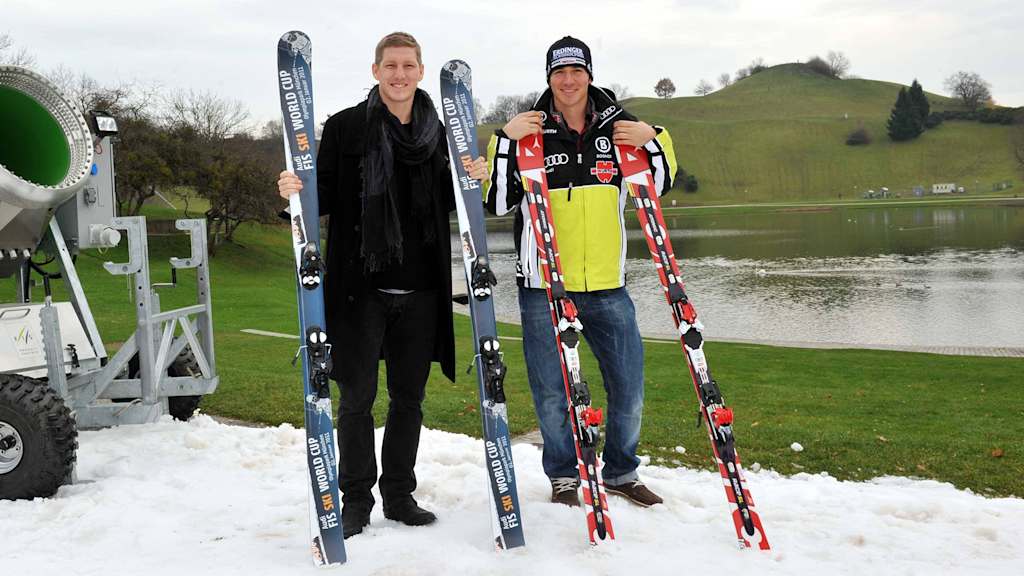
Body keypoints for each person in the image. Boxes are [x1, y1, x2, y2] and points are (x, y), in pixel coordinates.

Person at [278, 31, 488, 538]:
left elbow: (451, 200)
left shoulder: (440, 133)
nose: (399, 75)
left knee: (408, 399)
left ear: (419, 71)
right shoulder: (347, 127)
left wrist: (471, 177)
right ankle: (355, 501)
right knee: (356, 400)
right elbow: (322, 191)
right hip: (360, 290)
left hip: (421, 291)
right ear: (376, 71)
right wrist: (293, 191)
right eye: (390, 66)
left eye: (408, 66)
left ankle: (398, 494)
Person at [483, 36, 677, 508]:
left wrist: (657, 139)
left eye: (576, 71)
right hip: (543, 285)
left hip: (608, 284)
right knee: (551, 391)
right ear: (549, 78)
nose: (568, 81)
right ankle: (564, 477)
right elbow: (495, 201)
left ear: (589, 74)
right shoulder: (527, 132)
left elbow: (660, 184)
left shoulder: (621, 128)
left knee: (628, 387)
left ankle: (621, 472)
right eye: (558, 73)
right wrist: (504, 142)